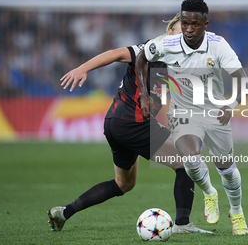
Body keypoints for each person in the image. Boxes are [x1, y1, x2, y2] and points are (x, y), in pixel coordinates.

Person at [47, 13, 213, 235]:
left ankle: (63, 212)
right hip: (131, 122)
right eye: (179, 29)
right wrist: (83, 68)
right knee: (188, 162)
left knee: (123, 184)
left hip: (115, 123)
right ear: (169, 31)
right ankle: (183, 224)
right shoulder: (152, 49)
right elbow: (116, 54)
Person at [135, 0, 248, 235]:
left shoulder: (218, 45)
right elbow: (141, 58)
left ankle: (236, 211)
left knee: (227, 169)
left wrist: (231, 105)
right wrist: (143, 94)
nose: (188, 28)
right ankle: (209, 193)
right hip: (183, 112)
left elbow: (240, 77)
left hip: (215, 112)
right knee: (190, 157)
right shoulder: (168, 43)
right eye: (185, 22)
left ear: (206, 24)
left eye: (194, 24)